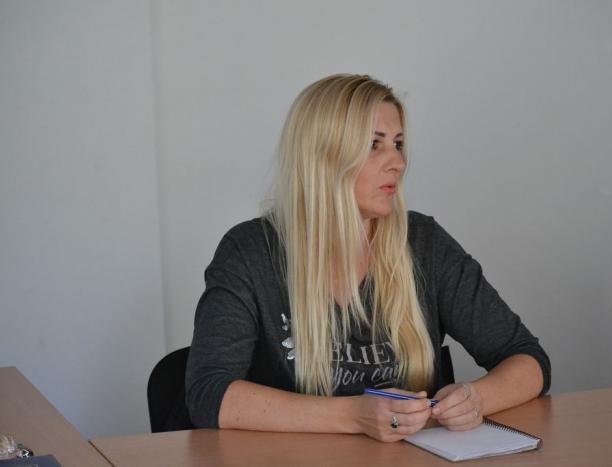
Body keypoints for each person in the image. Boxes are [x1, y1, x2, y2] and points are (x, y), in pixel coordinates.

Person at [185, 74, 550, 442]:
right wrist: (355, 415)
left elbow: (527, 359)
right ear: (323, 155)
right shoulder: (250, 251)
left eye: (398, 144)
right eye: (374, 145)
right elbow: (209, 394)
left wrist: (476, 398)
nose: (398, 162)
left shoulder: (424, 242)